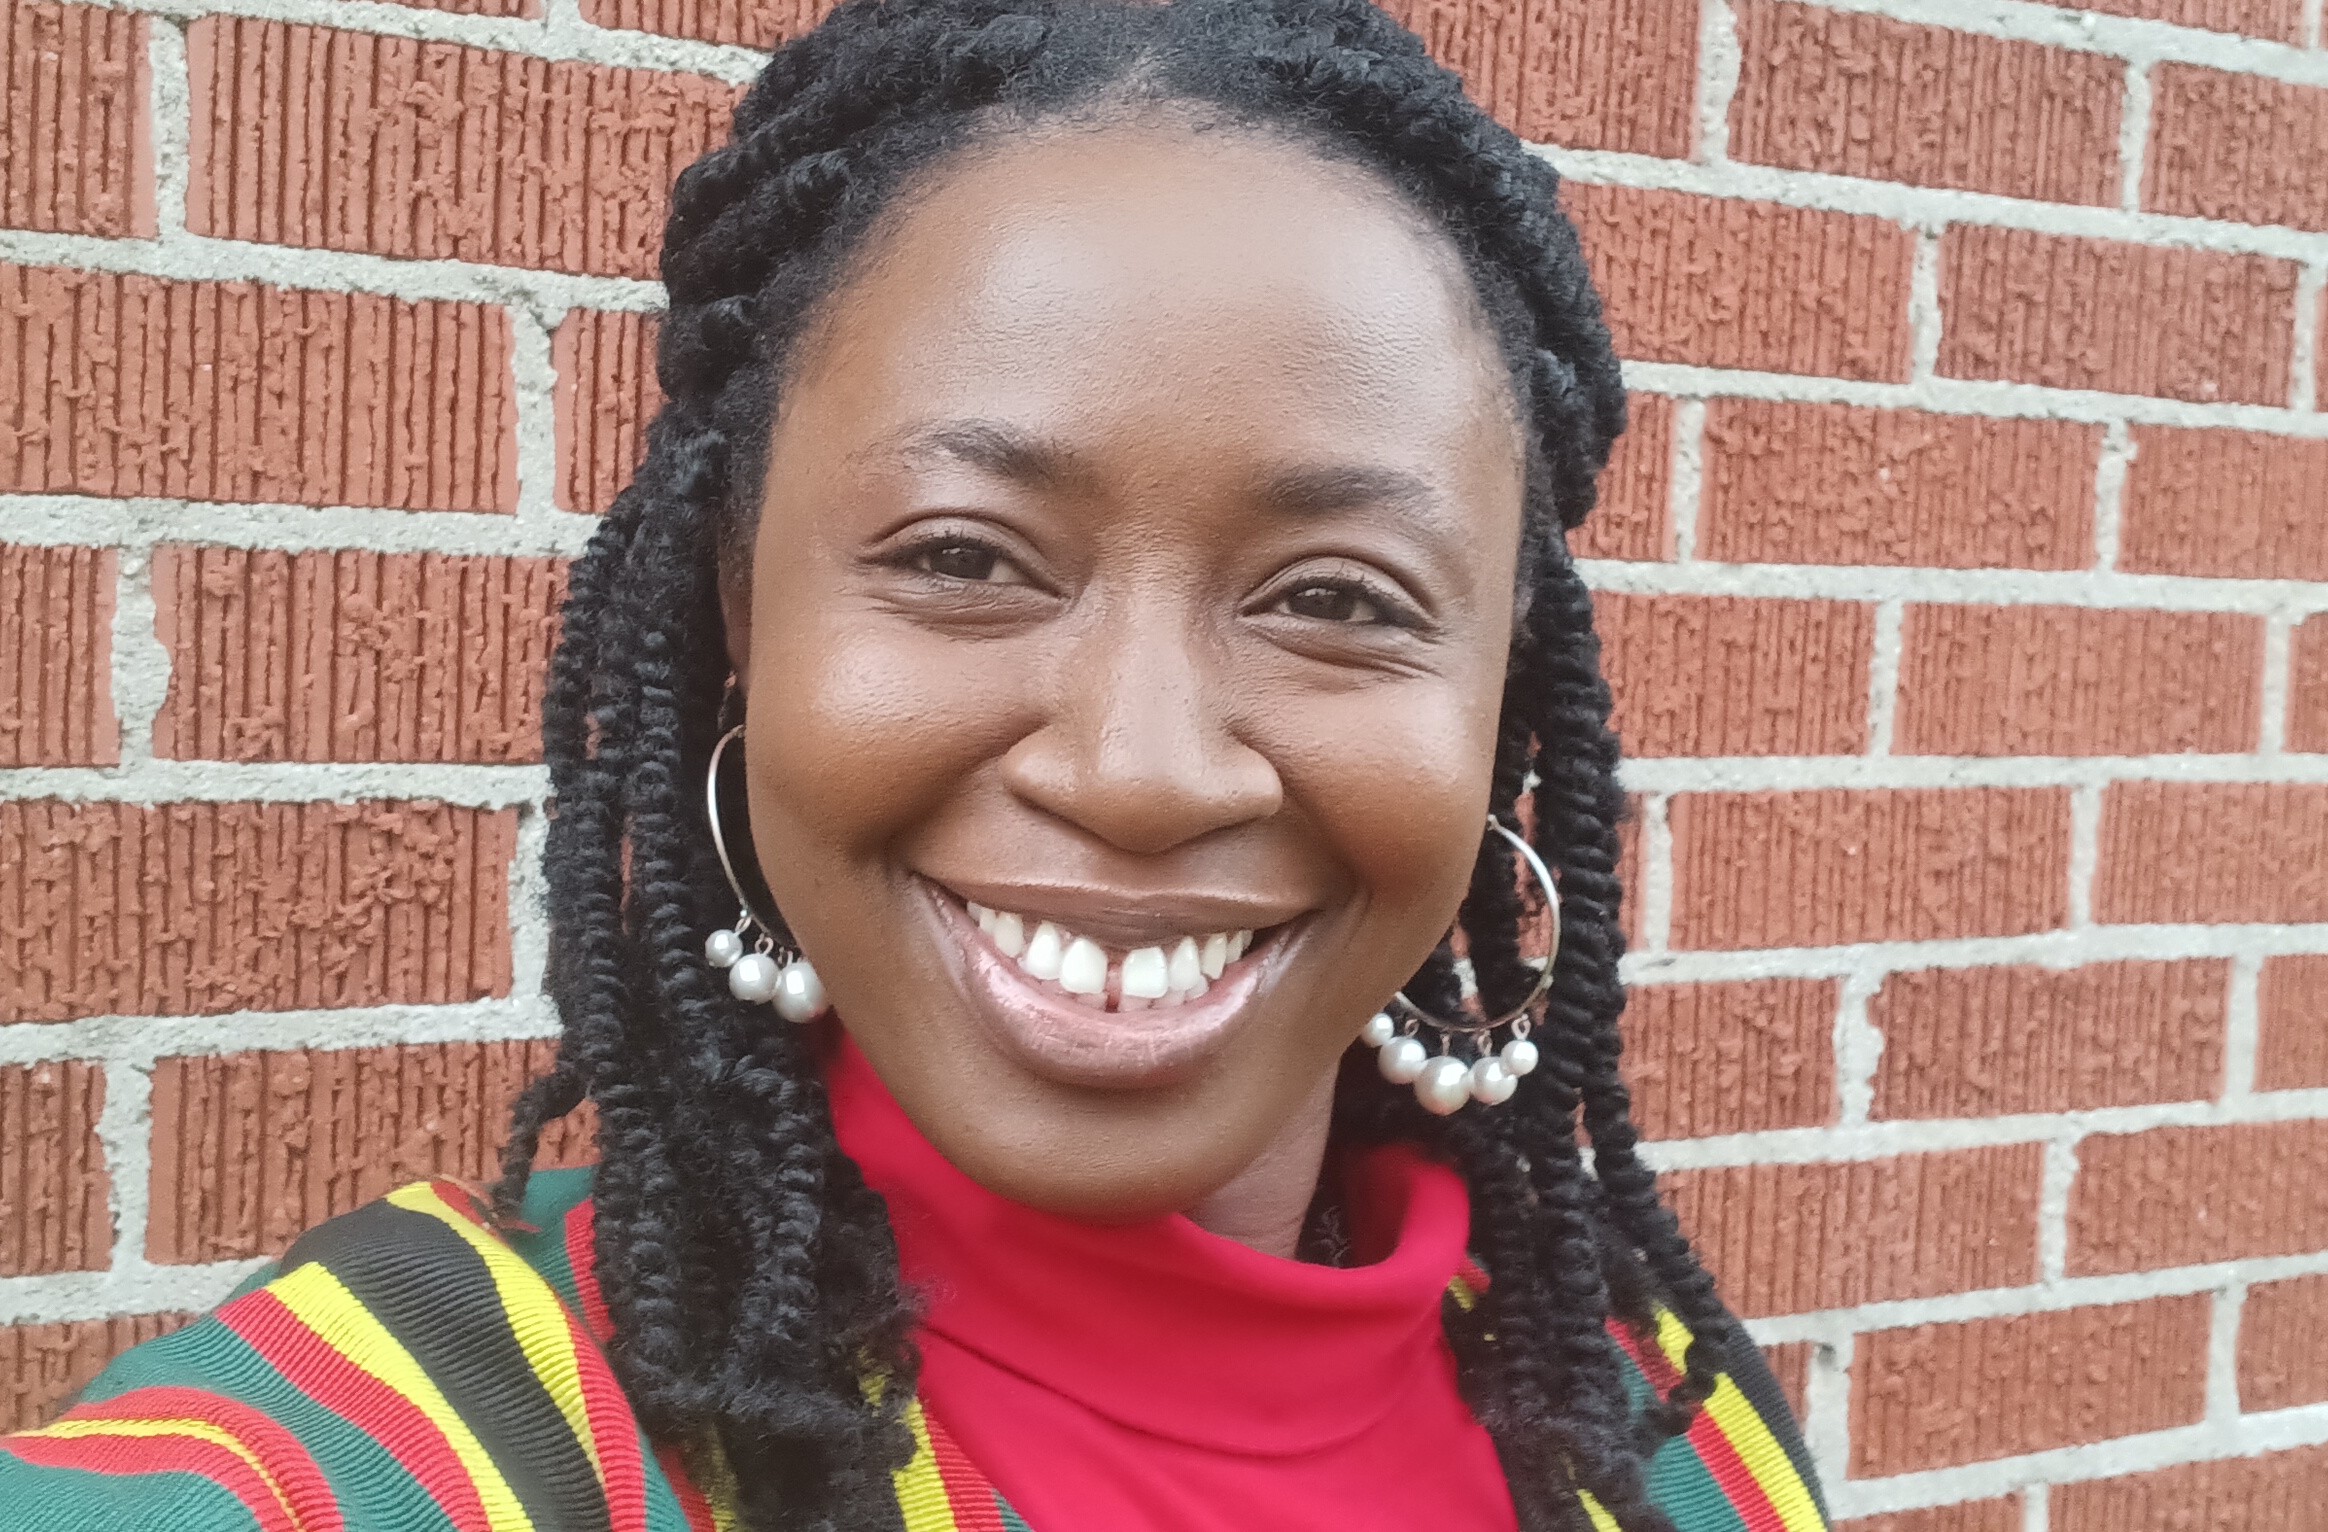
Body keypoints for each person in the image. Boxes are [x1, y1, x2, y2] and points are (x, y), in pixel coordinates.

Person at [0, 2, 1830, 1528]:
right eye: (962, 556)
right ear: (742, 613)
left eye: (1337, 596)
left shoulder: (1663, 1436)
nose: (1140, 769)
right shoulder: (393, 1446)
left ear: (1504, 710)